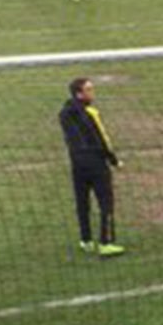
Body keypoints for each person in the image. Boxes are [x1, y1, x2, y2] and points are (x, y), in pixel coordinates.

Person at [58, 78, 124, 257]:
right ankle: (106, 242)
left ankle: (86, 240)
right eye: (89, 89)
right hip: (95, 162)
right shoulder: (90, 113)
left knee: (82, 202)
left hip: (77, 163)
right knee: (106, 202)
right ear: (79, 93)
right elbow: (101, 139)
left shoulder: (63, 113)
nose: (92, 93)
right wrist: (113, 160)